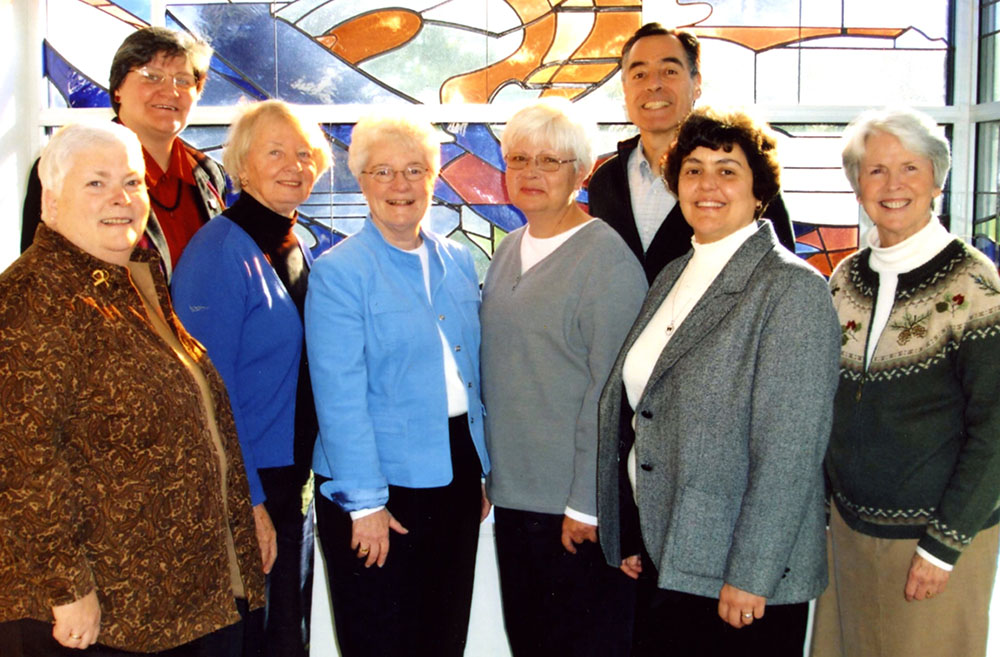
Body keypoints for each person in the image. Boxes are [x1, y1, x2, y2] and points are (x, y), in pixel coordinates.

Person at [0, 122, 264, 656]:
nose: (121, 199)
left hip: (178, 597)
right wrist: (67, 590)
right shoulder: (32, 298)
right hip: (102, 615)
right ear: (51, 198)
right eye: (96, 184)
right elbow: (22, 461)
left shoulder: (136, 280)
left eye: (133, 182)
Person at [595, 106, 841, 657]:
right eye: (693, 169)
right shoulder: (674, 273)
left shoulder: (791, 290)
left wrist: (751, 573)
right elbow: (644, 411)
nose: (708, 184)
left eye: (728, 170)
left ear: (760, 193)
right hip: (671, 553)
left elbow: (791, 451)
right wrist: (634, 532)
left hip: (737, 572)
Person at [810, 107, 1000, 657]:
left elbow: (995, 429)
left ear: (936, 180)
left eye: (910, 169)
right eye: (875, 171)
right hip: (848, 531)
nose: (893, 186)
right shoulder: (844, 279)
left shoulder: (975, 284)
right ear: (857, 186)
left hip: (933, 539)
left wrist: (943, 547)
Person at [305, 113, 491, 657]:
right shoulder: (340, 271)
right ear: (360, 180)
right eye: (382, 171)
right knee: (383, 640)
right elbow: (338, 397)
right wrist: (364, 506)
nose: (400, 185)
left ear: (434, 177)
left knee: (443, 634)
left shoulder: (457, 259)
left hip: (455, 469)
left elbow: (468, 375)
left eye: (414, 170)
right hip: (374, 481)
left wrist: (479, 470)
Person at [480, 99, 647, 657]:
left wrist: (588, 504)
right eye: (519, 158)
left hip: (575, 513)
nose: (530, 173)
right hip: (517, 499)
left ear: (581, 172)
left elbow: (613, 392)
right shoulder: (507, 251)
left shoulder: (605, 259)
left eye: (550, 161)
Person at [171, 100, 332, 657]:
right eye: (276, 152)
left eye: (305, 153)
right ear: (242, 167)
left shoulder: (295, 242)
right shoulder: (218, 250)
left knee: (288, 635)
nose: (295, 164)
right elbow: (206, 392)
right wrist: (251, 502)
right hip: (247, 485)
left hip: (292, 483)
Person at [588, 22, 796, 283]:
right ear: (625, 88)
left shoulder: (741, 175)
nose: (654, 85)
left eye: (669, 71)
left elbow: (780, 275)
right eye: (640, 74)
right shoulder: (604, 181)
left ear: (696, 83)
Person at [21, 26, 229, 279]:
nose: (170, 91)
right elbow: (41, 278)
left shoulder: (208, 174)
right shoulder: (65, 167)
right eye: (152, 76)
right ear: (117, 88)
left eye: (183, 81)